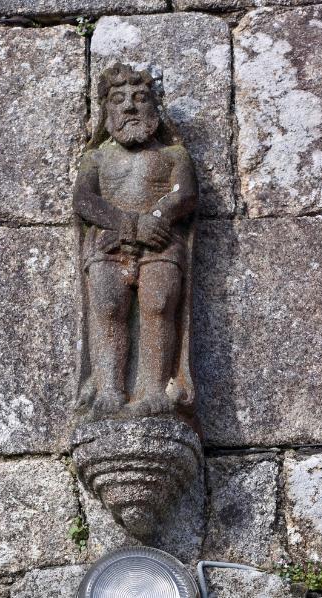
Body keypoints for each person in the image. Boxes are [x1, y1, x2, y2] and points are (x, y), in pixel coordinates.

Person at [73, 63, 198, 418]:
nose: (129, 107)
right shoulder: (96, 158)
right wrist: (131, 225)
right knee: (109, 308)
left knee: (158, 304)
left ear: (155, 108)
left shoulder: (174, 156)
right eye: (118, 100)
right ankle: (111, 389)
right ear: (107, 110)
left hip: (161, 245)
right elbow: (84, 200)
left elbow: (185, 195)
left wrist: (156, 219)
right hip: (109, 245)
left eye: (140, 98)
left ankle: (154, 389)